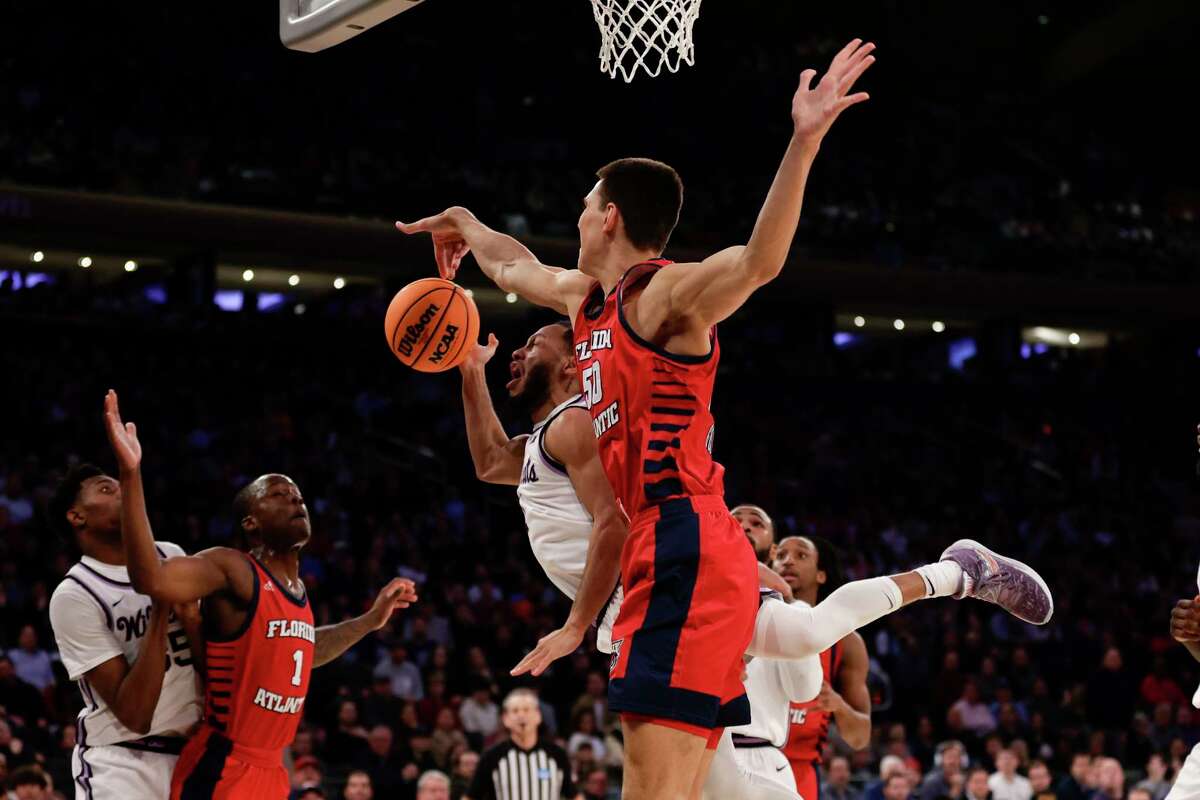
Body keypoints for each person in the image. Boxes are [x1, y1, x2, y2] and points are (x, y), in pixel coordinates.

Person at [401, 39, 878, 800]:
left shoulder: (661, 299)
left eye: (584, 209)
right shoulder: (581, 300)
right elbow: (508, 264)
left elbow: (758, 262)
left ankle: (948, 575)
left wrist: (804, 141)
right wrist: (463, 220)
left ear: (610, 218)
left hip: (681, 540)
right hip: (684, 547)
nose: (576, 222)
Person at [99, 390, 418, 799]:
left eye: (298, 496)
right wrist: (131, 474)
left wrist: (370, 621)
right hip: (224, 764)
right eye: (278, 495)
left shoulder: (297, 590)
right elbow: (151, 579)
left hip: (271, 769)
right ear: (251, 522)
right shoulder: (234, 568)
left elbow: (304, 652)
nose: (295, 500)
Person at [46, 461, 204, 800]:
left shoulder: (171, 554)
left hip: (193, 754)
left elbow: (209, 659)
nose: (123, 492)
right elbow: (135, 715)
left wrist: (191, 620)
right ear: (77, 517)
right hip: (124, 763)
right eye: (106, 489)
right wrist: (161, 602)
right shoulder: (76, 594)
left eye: (123, 485)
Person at [777, 534, 871, 800]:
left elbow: (860, 738)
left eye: (801, 555)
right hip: (741, 754)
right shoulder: (747, 619)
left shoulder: (846, 642)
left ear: (821, 575)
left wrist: (838, 705)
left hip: (799, 770)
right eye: (780, 555)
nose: (788, 561)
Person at [464, 689, 574, 800]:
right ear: (505, 719)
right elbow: (471, 796)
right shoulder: (491, 756)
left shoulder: (557, 754)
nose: (521, 715)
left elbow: (573, 795)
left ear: (538, 716)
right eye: (515, 711)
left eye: (526, 710)